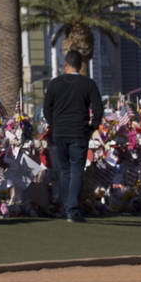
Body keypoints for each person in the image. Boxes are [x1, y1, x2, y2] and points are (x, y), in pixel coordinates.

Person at [43, 50, 103, 222]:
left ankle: (66, 207)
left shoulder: (55, 84)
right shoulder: (88, 83)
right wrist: (92, 127)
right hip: (79, 132)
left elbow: (47, 108)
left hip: (60, 132)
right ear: (81, 65)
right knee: (77, 170)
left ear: (66, 65)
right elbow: (98, 107)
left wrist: (54, 124)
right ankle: (73, 209)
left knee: (64, 170)